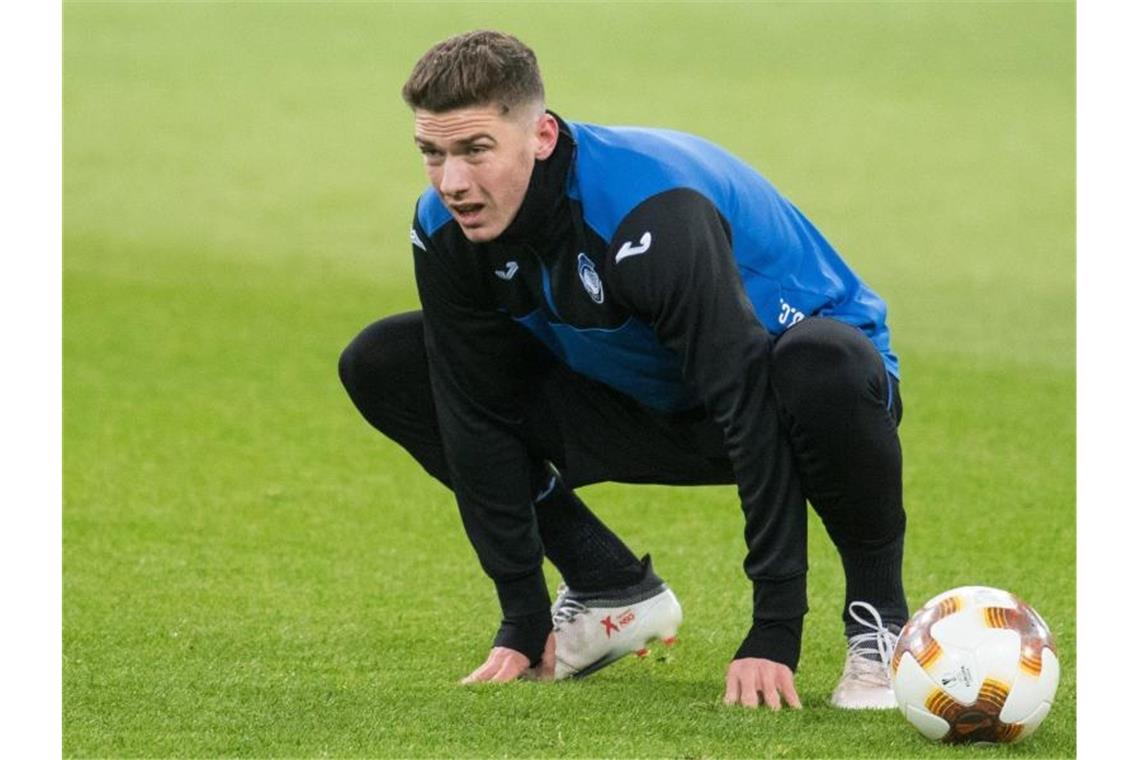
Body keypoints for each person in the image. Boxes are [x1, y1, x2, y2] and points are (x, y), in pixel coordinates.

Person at [339, 30, 909, 711]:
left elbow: (747, 400)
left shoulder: (653, 212)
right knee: (388, 362)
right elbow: (474, 411)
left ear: (542, 135)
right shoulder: (443, 228)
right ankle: (606, 584)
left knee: (823, 361)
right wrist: (521, 617)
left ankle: (881, 623)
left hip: (794, 402)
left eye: (475, 150)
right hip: (640, 395)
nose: (453, 182)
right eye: (432, 153)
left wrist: (772, 632)